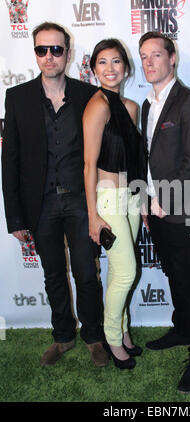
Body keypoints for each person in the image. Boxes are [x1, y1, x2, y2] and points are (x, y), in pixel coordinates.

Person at [2, 22, 108, 368]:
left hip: (79, 201)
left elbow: (101, 151)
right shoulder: (16, 97)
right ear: (35, 53)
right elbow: (10, 160)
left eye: (56, 50)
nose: (49, 57)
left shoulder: (87, 94)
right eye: (41, 50)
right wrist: (15, 217)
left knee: (85, 273)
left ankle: (93, 336)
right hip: (41, 204)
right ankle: (63, 336)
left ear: (68, 53)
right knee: (52, 275)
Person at [139, 31, 190, 393]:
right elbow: (149, 159)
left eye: (156, 55)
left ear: (173, 58)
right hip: (155, 208)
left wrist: (166, 202)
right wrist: (148, 204)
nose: (149, 63)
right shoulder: (148, 105)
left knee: (188, 280)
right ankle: (182, 329)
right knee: (173, 275)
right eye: (144, 57)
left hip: (179, 210)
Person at [83, 39, 143, 370]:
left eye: (116, 61)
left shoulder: (131, 107)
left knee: (120, 271)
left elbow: (135, 159)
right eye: (102, 62)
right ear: (93, 70)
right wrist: (93, 216)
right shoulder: (97, 106)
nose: (110, 69)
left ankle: (122, 329)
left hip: (131, 196)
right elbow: (89, 165)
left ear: (126, 67)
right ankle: (113, 339)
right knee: (127, 272)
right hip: (107, 199)